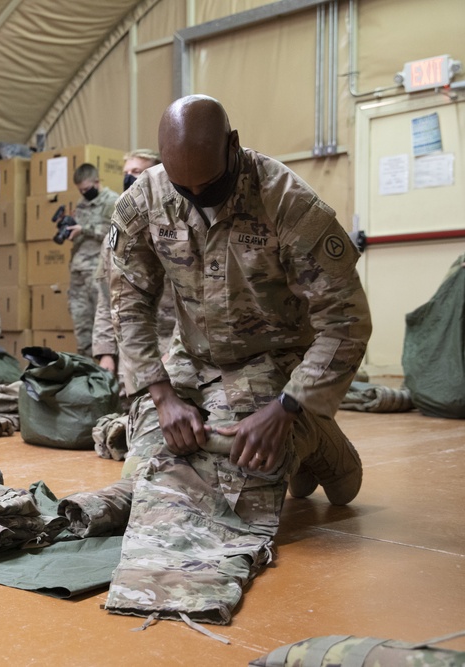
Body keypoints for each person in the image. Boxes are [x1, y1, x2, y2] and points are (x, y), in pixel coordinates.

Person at [102, 95, 371, 621]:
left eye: (211, 183)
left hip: (272, 361)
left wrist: (289, 407)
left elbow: (345, 320)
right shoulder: (145, 201)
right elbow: (128, 304)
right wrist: (160, 397)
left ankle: (320, 441)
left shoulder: (287, 202)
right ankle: (295, 432)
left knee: (242, 462)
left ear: (233, 144)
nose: (199, 195)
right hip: (193, 358)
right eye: (186, 187)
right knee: (155, 450)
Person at [92, 150, 165, 375]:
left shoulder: (173, 229)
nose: (129, 178)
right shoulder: (114, 235)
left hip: (167, 351)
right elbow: (106, 297)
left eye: (136, 172)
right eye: (126, 173)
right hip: (125, 358)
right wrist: (105, 352)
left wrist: (175, 354)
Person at [67, 163, 119, 358]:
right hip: (79, 271)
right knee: (81, 323)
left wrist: (85, 228)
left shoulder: (112, 201)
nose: (84, 193)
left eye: (87, 189)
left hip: (99, 271)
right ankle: (87, 373)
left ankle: (110, 371)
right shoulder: (81, 204)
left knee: (104, 324)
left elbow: (114, 233)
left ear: (97, 182)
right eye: (80, 190)